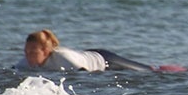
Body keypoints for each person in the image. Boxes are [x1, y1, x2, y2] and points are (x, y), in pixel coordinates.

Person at [15, 29, 157, 72]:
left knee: (147, 71)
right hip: (86, 55)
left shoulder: (63, 58)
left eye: (33, 52)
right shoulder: (25, 62)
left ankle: (162, 69)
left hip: (105, 61)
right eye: (26, 52)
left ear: (46, 51)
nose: (28, 56)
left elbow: (85, 76)